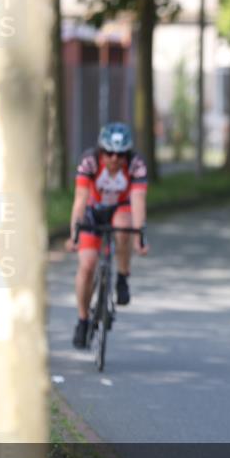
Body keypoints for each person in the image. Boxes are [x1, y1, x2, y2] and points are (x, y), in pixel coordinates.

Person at [66, 122, 150, 348]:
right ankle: (83, 320)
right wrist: (74, 235)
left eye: (121, 154)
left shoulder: (136, 165)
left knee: (124, 226)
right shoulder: (89, 162)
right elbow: (80, 199)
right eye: (109, 153)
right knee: (87, 266)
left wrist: (139, 238)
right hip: (93, 210)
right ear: (100, 151)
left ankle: (122, 277)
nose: (114, 159)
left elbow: (138, 202)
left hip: (120, 208)